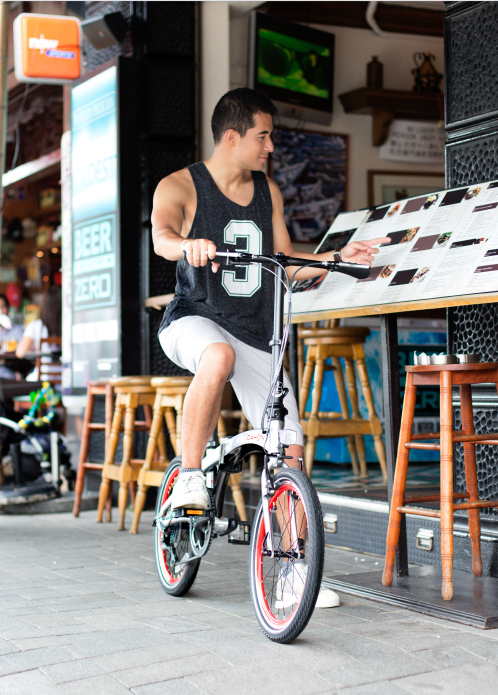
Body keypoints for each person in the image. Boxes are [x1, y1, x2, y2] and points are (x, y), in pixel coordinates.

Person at [151, 88, 387, 609]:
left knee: (290, 448)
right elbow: (162, 236)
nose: (271, 146)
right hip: (195, 319)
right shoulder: (181, 185)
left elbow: (286, 263)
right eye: (263, 135)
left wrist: (339, 259)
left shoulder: (268, 192)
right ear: (232, 137)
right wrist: (185, 245)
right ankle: (191, 478)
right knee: (218, 358)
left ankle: (292, 569)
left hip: (257, 330)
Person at [16, 289, 62, 381]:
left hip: (42, 379)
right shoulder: (66, 326)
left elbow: (20, 352)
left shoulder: (36, 326)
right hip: (64, 378)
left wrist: (34, 349)